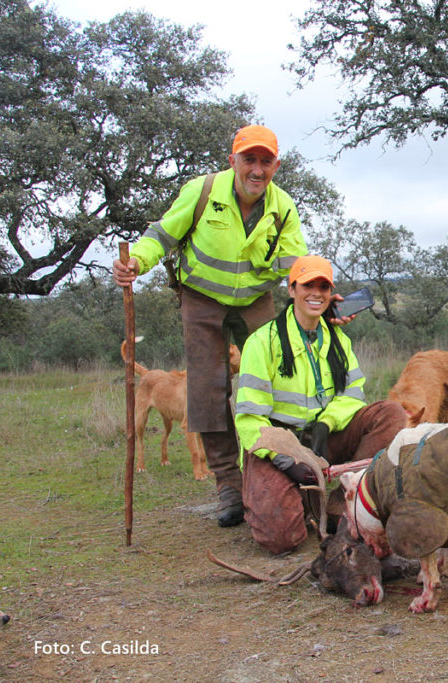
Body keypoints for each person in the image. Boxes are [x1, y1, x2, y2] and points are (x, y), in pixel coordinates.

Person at [112, 125, 307, 527]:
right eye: (248, 159)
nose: (256, 170)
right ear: (232, 160)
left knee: (276, 379)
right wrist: (137, 262)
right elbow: (162, 235)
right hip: (201, 299)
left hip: (255, 299)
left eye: (265, 161)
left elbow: (296, 266)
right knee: (207, 388)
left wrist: (319, 294)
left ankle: (273, 470)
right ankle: (229, 487)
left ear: (276, 165)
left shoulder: (283, 206)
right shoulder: (202, 192)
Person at [234, 255, 407, 554]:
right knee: (281, 540)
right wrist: (287, 460)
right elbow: (250, 420)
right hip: (278, 445)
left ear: (331, 293)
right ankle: (273, 495)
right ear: (291, 290)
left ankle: (343, 507)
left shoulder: (338, 340)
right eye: (307, 285)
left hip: (323, 439)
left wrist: (326, 425)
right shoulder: (262, 342)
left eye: (323, 286)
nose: (316, 293)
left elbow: (353, 394)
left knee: (391, 414)